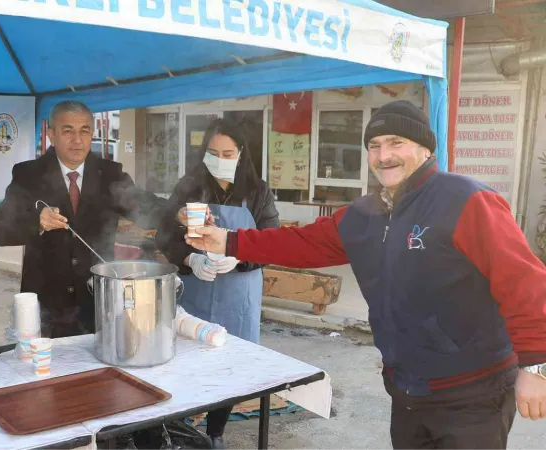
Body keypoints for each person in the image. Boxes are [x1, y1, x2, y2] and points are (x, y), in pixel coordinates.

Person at [184, 100, 546, 449]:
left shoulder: (464, 200)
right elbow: (300, 243)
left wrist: (535, 364)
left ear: (425, 149)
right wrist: (227, 241)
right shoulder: (366, 214)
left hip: (472, 391)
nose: (383, 155)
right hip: (406, 388)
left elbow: (523, 280)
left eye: (396, 143)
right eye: (374, 146)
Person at [0, 101, 166, 338]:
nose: (77, 140)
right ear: (52, 135)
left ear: (92, 133)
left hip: (98, 304)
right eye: (68, 131)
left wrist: (178, 213)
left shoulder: (109, 174)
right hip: (46, 308)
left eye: (84, 130)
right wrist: (37, 221)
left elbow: (147, 208)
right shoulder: (28, 174)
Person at [156, 119, 278, 449]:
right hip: (196, 290)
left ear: (241, 154)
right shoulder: (189, 187)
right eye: (213, 152)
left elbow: (271, 241)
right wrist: (189, 259)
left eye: (227, 152)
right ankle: (179, 429)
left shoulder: (258, 191)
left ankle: (216, 431)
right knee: (188, 361)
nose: (219, 158)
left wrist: (239, 257)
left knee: (230, 368)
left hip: (239, 296)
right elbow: (165, 235)